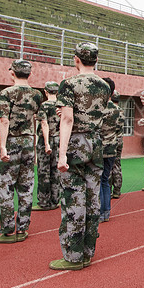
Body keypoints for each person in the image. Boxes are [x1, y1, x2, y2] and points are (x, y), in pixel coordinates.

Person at [51, 43, 112, 270]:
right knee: (92, 198)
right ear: (95, 60)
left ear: (77, 59)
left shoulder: (68, 84)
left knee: (73, 199)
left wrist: (62, 154)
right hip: (96, 143)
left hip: (76, 142)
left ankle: (74, 255)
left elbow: (67, 120)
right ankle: (88, 251)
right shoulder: (104, 86)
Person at [0, 59, 48, 244]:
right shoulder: (37, 95)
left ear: (12, 73)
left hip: (12, 140)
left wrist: (4, 146)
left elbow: (4, 121)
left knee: (5, 186)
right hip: (28, 142)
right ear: (29, 74)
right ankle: (23, 227)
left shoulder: (6, 93)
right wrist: (42, 144)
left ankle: (8, 230)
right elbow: (42, 120)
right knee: (26, 186)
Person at [33, 81, 60, 211]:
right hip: (59, 140)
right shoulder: (61, 106)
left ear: (45, 91)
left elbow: (44, 124)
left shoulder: (44, 106)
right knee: (56, 171)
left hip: (47, 140)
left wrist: (46, 143)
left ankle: (44, 202)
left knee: (44, 171)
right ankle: (55, 200)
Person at [99, 79, 122, 223]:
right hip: (112, 147)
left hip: (99, 148)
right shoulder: (117, 109)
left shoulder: (98, 108)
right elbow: (119, 129)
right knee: (105, 180)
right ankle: (106, 212)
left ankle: (100, 211)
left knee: (98, 181)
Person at [109, 91, 125, 199]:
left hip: (111, 139)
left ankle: (108, 189)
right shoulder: (122, 112)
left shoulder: (110, 110)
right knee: (117, 164)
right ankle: (117, 190)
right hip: (119, 139)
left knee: (109, 165)